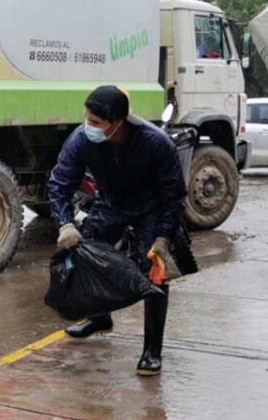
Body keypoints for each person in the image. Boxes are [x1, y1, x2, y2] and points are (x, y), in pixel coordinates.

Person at [47, 85, 187, 376]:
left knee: (153, 269)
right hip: (111, 203)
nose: (89, 127)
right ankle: (100, 318)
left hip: (151, 207)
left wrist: (162, 237)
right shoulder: (81, 140)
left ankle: (152, 350)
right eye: (87, 119)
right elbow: (59, 184)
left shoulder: (156, 143)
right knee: (86, 251)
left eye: (96, 123)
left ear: (118, 123)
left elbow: (173, 195)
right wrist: (65, 223)